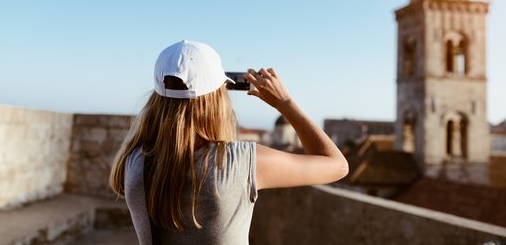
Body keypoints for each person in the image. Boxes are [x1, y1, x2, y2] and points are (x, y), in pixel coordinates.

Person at [109, 40, 349, 245]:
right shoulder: (239, 163)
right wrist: (285, 103)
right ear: (217, 97)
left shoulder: (133, 163)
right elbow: (337, 165)